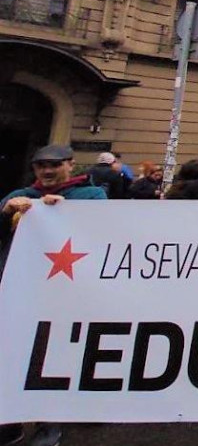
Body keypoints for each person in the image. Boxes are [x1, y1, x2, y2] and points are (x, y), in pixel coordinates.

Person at [0, 145, 105, 446]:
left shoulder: (91, 196)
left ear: (70, 165)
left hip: (68, 293)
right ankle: (11, 419)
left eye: (54, 165)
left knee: (56, 356)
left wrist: (67, 213)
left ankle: (50, 421)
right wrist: (6, 213)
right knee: (13, 355)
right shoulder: (18, 197)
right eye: (40, 165)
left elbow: (106, 232)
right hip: (20, 289)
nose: (47, 171)